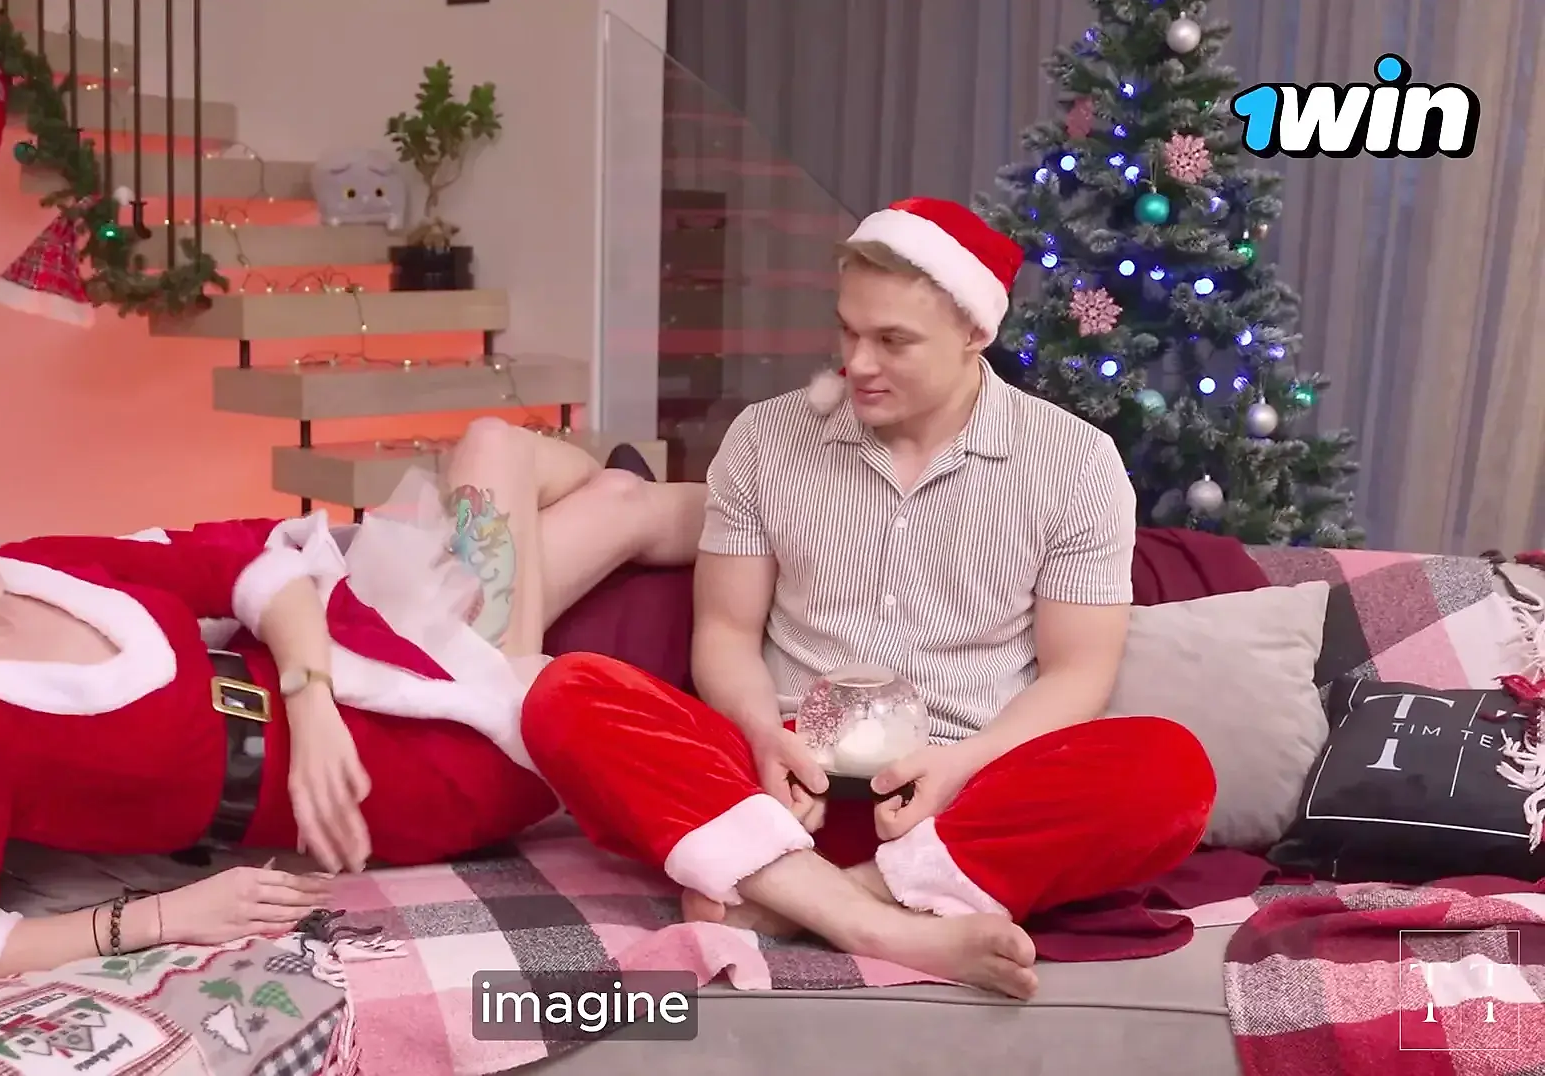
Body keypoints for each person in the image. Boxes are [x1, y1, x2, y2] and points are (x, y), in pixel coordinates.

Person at [518, 198, 1218, 1000]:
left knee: (1171, 771)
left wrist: (960, 767)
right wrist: (761, 736)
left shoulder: (1077, 464)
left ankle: (809, 897)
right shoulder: (763, 439)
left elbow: (1078, 674)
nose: (857, 363)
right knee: (565, 692)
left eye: (893, 341)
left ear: (974, 332)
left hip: (964, 790)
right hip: (779, 786)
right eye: (847, 332)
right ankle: (877, 924)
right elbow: (725, 632)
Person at [0, 419, 706, 985]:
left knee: (528, 461)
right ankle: (705, 502)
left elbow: (239, 563)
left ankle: (737, 503)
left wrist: (310, 701)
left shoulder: (27, 567)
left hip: (346, 645)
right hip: (415, 769)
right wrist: (166, 917)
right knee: (534, 469)